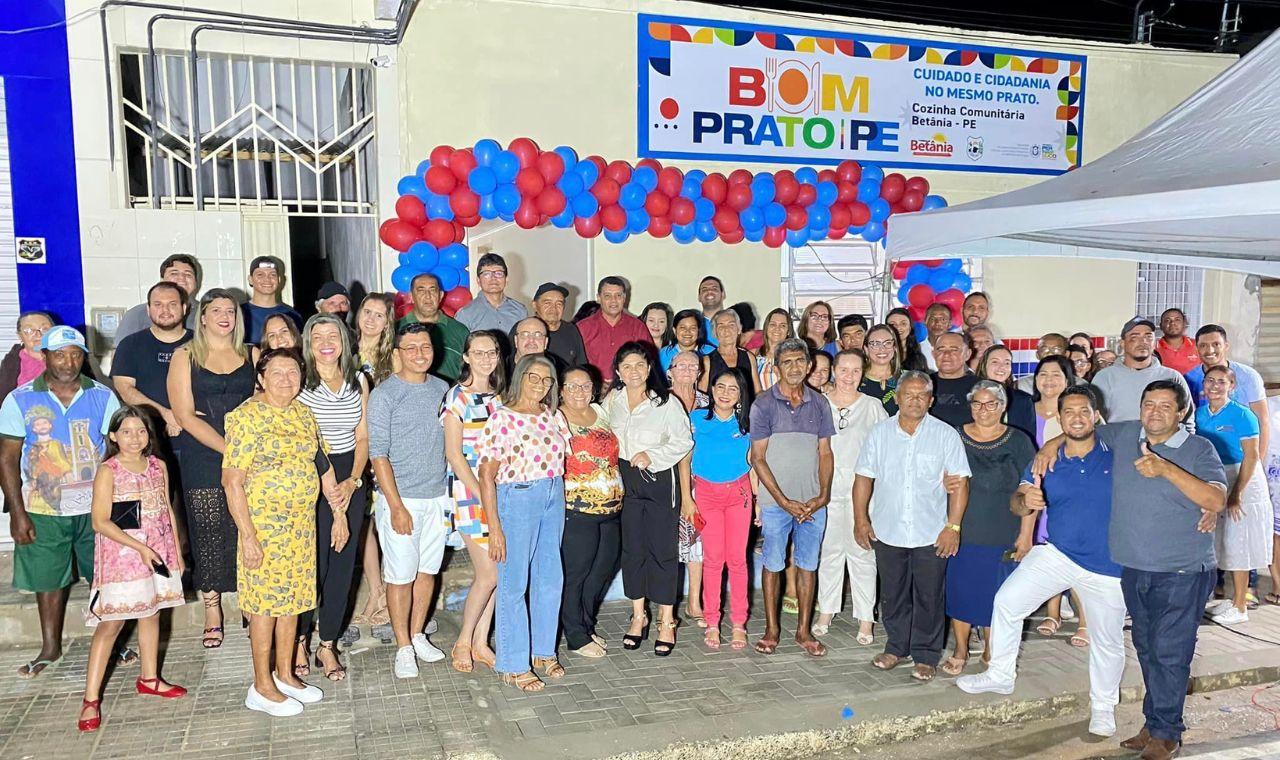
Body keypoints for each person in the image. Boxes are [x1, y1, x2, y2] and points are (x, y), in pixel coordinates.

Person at [1040, 380, 1227, 759]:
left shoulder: (1198, 449)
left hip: (1182, 570)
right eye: (1148, 404)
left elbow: (1217, 499)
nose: (1154, 412)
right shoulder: (1126, 434)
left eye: (1164, 406)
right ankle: (1154, 721)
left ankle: (1167, 733)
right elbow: (1080, 428)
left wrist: (1167, 470)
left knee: (1170, 652)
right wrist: (1049, 444)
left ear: (1181, 413)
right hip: (1134, 567)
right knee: (1146, 648)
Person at [958, 385, 1129, 741]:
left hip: (1107, 565)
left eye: (1084, 411)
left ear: (1096, 415)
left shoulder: (1118, 453)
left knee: (1107, 640)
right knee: (1006, 602)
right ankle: (1001, 676)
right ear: (1059, 417)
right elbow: (1018, 504)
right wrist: (1026, 499)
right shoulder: (1046, 459)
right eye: (1069, 412)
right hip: (1059, 553)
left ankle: (1102, 707)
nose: (1077, 418)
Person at [223, 347, 343, 716]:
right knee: (263, 607)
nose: (286, 379)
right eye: (276, 372)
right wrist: (248, 536)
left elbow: (322, 464)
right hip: (262, 529)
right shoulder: (246, 417)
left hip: (300, 529)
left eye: (292, 371)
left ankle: (285, 675)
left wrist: (339, 514)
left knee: (292, 603)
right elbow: (232, 482)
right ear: (260, 378)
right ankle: (261, 686)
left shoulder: (303, 413)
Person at [1, 326, 121, 679]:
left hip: (96, 507)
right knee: (48, 579)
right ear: (44, 356)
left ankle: (115, 637)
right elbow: (7, 459)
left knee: (106, 574)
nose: (69, 362)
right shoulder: (19, 399)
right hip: (44, 507)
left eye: (76, 354)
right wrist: (17, 513)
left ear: (84, 356)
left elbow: (116, 449)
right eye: (60, 354)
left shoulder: (102, 395)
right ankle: (50, 647)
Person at [853, 370, 970, 682]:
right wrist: (860, 519)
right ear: (898, 398)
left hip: (930, 532)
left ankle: (926, 654)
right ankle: (895, 647)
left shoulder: (946, 435)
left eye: (922, 395)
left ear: (930, 401)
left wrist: (953, 527)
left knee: (929, 596)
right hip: (888, 529)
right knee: (893, 593)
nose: (915, 400)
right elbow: (864, 477)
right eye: (909, 394)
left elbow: (960, 483)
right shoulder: (879, 433)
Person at [78, 406, 187, 732]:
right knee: (111, 624)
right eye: (126, 431)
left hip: (159, 550)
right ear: (113, 436)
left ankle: (150, 678)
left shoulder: (158, 466)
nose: (135, 438)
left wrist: (177, 551)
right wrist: (140, 548)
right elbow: (100, 521)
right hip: (123, 556)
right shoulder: (108, 470)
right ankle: (90, 699)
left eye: (141, 431)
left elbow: (167, 507)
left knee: (152, 613)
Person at [167, 290, 255, 649]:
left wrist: (245, 451)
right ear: (201, 317)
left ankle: (252, 602)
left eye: (230, 310)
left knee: (248, 525)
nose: (223, 316)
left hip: (251, 453)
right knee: (207, 532)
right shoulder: (185, 356)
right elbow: (185, 416)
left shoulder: (253, 352)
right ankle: (213, 608)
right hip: (204, 453)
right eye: (215, 310)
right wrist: (229, 451)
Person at [477, 354, 568, 691]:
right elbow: (486, 476)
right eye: (534, 378)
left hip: (552, 493)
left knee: (550, 575)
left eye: (547, 380)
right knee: (514, 581)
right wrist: (495, 527)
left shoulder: (550, 415)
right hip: (518, 496)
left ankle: (542, 650)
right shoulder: (502, 418)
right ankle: (514, 662)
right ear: (519, 377)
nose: (541, 385)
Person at [368, 323, 452, 679]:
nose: (420, 353)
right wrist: (396, 505)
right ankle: (402, 646)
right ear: (398, 353)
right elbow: (378, 455)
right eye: (411, 347)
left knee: (427, 571)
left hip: (437, 498)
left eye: (426, 346)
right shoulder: (385, 395)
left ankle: (417, 634)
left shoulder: (443, 389)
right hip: (400, 500)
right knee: (400, 575)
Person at [940, 381, 1034, 677]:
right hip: (962, 527)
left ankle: (993, 650)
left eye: (990, 404)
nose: (983, 410)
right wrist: (941, 481)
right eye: (977, 404)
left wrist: (1025, 535)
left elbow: (1030, 489)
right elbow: (934, 472)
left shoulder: (1019, 441)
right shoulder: (953, 437)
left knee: (997, 593)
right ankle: (960, 648)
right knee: (961, 591)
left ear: (1003, 407)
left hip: (1002, 529)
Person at [606, 341, 693, 656]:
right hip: (625, 481)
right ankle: (639, 615)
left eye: (639, 365)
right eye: (626, 366)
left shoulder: (666, 403)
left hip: (658, 481)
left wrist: (652, 455)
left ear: (649, 368)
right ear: (618, 371)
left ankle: (667, 620)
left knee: (662, 551)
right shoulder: (612, 401)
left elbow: (684, 441)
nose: (633, 372)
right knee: (632, 549)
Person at [295, 315, 370, 682]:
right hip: (311, 474)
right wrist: (333, 498)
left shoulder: (358, 381)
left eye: (332, 335)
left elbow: (363, 437)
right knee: (313, 563)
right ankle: (299, 637)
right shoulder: (301, 384)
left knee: (341, 564)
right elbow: (308, 444)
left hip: (350, 477)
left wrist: (354, 481)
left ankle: (327, 643)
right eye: (317, 336)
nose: (326, 342)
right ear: (308, 343)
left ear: (344, 341)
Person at [749, 338, 835, 657]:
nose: (795, 367)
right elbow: (757, 458)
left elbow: (825, 453)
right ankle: (772, 630)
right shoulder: (763, 405)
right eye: (788, 362)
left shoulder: (820, 403)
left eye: (801, 361)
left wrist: (822, 495)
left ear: (810, 364)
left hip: (813, 502)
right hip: (776, 504)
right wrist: (783, 501)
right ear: (776, 366)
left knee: (807, 565)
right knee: (773, 563)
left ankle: (803, 631)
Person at [440, 330, 504, 672]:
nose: (485, 358)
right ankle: (463, 641)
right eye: (477, 353)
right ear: (465, 357)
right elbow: (454, 454)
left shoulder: (501, 396)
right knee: (488, 572)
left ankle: (481, 642)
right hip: (470, 492)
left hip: (499, 489)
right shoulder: (457, 398)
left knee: (499, 570)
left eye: (490, 352)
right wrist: (481, 494)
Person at [681, 366, 756, 650]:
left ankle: (739, 623)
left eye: (733, 389)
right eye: (721, 387)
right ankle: (712, 622)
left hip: (739, 494)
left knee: (737, 560)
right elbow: (685, 460)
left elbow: (754, 464)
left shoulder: (747, 423)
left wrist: (757, 502)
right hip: (705, 495)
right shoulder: (697, 419)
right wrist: (687, 499)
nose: (725, 393)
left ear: (740, 395)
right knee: (712, 560)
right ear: (711, 389)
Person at [815, 350, 886, 643]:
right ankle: (826, 611)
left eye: (855, 371)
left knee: (862, 553)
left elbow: (884, 449)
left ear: (863, 373)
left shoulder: (873, 406)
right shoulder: (819, 404)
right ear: (834, 370)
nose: (849, 376)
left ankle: (866, 618)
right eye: (843, 369)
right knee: (830, 552)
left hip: (862, 492)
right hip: (827, 490)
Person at [557, 366, 623, 659]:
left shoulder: (601, 411)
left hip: (612, 504)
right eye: (572, 386)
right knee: (576, 573)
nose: (578, 391)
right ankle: (575, 634)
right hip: (576, 507)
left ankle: (585, 622)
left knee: (602, 569)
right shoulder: (555, 417)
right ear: (560, 389)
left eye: (584, 386)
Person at [1198, 365, 1271, 624]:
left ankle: (1240, 606)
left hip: (1243, 479)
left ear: (1232, 386)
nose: (1214, 386)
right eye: (1210, 381)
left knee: (1240, 541)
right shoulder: (1200, 414)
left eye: (1221, 381)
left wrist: (1237, 493)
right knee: (1221, 541)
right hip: (1216, 476)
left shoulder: (1243, 415)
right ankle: (1230, 598)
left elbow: (1251, 456)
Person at [1025, 355, 1087, 643]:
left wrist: (1055, 441)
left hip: (1070, 492)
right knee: (1046, 552)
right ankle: (1053, 613)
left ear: (1068, 380)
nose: (1049, 380)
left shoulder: (1078, 411)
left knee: (1074, 552)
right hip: (1035, 490)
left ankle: (1086, 620)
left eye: (1056, 375)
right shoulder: (1024, 409)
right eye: (1043, 374)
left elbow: (1094, 439)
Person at [110, 282, 192, 445]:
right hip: (148, 439)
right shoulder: (130, 345)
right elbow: (124, 389)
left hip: (196, 437)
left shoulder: (201, 344)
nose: (165, 311)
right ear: (148, 310)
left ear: (184, 308)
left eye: (172, 304)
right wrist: (165, 414)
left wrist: (186, 419)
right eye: (158, 305)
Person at [667, 349, 707, 627]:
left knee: (698, 541)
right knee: (665, 543)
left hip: (702, 479)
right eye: (681, 365)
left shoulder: (708, 403)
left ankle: (694, 602)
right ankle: (664, 607)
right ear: (670, 371)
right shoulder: (659, 400)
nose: (687, 370)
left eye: (693, 366)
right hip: (665, 479)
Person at [1186, 325, 1268, 455]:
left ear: (1226, 346)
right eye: (1203, 345)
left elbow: (1262, 421)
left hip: (1242, 456)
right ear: (1196, 349)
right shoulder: (1188, 379)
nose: (1210, 350)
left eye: (1216, 344)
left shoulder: (1248, 376)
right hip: (1205, 457)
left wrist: (1258, 463)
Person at [1091, 318, 1190, 423]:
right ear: (1122, 343)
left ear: (1155, 343)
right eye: (1134, 337)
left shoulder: (1172, 376)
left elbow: (1186, 418)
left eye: (1148, 337)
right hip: (1116, 438)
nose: (1143, 342)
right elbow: (1095, 419)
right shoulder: (1105, 377)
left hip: (1163, 439)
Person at [578, 276, 652, 383]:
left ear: (624, 298)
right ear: (599, 298)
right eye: (607, 296)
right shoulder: (583, 328)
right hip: (592, 389)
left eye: (618, 295)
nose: (613, 301)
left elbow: (648, 360)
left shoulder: (637, 327)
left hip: (628, 389)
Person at [397, 273, 468, 382]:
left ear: (441, 295)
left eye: (432, 290)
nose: (428, 296)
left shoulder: (460, 331)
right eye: (421, 290)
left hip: (450, 396)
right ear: (411, 296)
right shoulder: (395, 329)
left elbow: (470, 372)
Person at [116, 254, 200, 339]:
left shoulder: (206, 312)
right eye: (174, 273)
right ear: (162, 279)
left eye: (188, 274)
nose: (181, 278)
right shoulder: (136, 315)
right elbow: (121, 350)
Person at [455, 253, 527, 333]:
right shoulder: (465, 314)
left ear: (506, 279)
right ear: (478, 280)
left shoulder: (520, 311)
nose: (493, 278)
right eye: (487, 274)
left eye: (498, 273)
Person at [977, 345, 1035, 440]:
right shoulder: (970, 396)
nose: (1001, 367)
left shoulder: (1023, 400)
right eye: (995, 362)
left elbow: (1027, 439)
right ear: (984, 365)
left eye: (1007, 363)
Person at [241, 256, 301, 345]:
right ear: (250, 279)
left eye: (272, 274)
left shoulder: (292, 315)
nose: (267, 279)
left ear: (279, 279)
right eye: (260, 275)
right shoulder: (239, 313)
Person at [701, 309, 762, 395]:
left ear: (739, 329)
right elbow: (702, 395)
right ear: (715, 332)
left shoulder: (749, 357)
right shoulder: (707, 361)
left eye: (731, 325)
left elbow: (758, 391)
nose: (726, 329)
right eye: (721, 326)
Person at [0, 311, 55, 400]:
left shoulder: (70, 357)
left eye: (44, 329)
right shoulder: (11, 363)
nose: (38, 334)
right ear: (20, 336)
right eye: (29, 330)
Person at [531, 283, 586, 369]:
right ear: (534, 305)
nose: (553, 308)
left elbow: (582, 365)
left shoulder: (571, 330)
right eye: (547, 303)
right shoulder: (524, 329)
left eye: (559, 304)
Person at [930, 332, 977, 427]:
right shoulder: (922, 384)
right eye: (941, 349)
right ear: (933, 354)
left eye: (954, 350)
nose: (946, 355)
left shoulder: (980, 387)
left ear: (968, 354)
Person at [355, 292, 396, 385]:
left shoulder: (394, 357)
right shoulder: (345, 349)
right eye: (367, 312)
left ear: (387, 323)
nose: (370, 319)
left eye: (379, 315)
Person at [860, 323, 902, 415]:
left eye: (888, 343)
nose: (882, 349)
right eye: (875, 344)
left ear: (894, 347)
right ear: (866, 349)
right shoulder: (855, 379)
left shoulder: (907, 378)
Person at [660, 308, 711, 373]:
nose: (687, 332)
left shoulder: (711, 352)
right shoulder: (663, 354)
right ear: (674, 330)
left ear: (698, 330)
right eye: (682, 327)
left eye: (693, 328)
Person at [755, 307, 794, 390]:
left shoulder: (794, 358)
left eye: (783, 325)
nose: (777, 328)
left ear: (788, 331)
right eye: (773, 324)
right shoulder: (753, 355)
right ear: (766, 328)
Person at [1155, 308, 1201, 375]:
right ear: (1161, 326)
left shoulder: (1198, 345)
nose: (1172, 323)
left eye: (1177, 320)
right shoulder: (1153, 348)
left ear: (1184, 324)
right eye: (1167, 320)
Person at [920, 303, 955, 371]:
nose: (937, 323)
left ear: (950, 324)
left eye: (943, 319)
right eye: (932, 319)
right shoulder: (916, 350)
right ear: (925, 322)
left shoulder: (958, 350)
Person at [697, 276, 726, 346]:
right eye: (704, 289)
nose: (709, 291)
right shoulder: (694, 324)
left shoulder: (735, 322)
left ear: (723, 295)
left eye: (714, 289)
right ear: (699, 297)